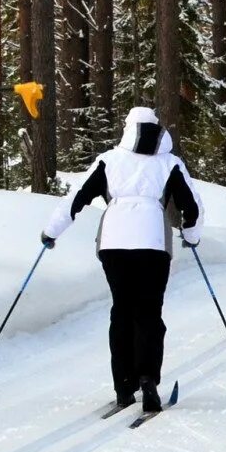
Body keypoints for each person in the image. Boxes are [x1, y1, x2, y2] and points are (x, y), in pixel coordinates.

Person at [40, 107, 204, 414]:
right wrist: (192, 236)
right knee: (149, 311)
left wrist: (52, 231)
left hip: (114, 244)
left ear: (128, 129)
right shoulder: (170, 163)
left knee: (122, 310)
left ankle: (123, 386)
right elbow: (191, 207)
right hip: (153, 244)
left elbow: (76, 198)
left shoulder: (109, 160)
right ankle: (148, 380)